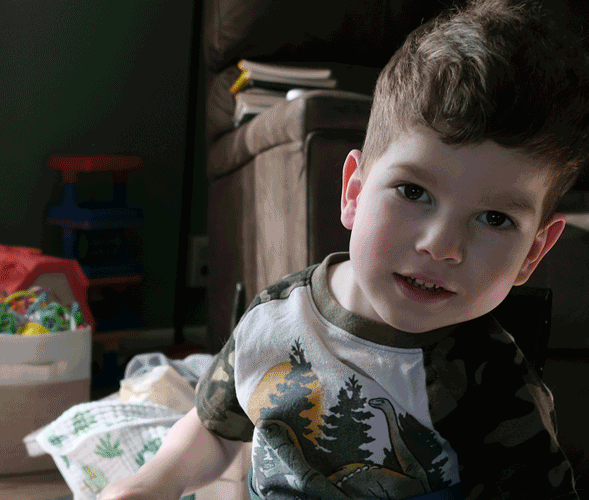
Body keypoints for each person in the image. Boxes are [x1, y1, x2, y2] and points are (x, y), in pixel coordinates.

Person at [100, 0, 589, 498]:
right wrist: (147, 485)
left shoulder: (497, 389)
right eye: (414, 192)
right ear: (353, 192)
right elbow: (215, 427)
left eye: (494, 219)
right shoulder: (276, 317)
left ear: (533, 252)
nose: (441, 245)